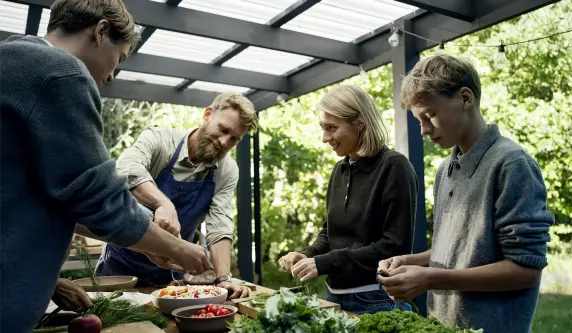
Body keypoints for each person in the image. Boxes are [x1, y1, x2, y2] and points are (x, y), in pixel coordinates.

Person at [0, 0, 212, 331]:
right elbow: (98, 200)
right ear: (100, 32)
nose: (112, 75)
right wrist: (179, 248)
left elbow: (61, 197)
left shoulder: (15, 59)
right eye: (120, 58)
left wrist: (51, 281)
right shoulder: (60, 72)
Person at [377, 54, 554, 333]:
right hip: (443, 326)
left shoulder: (512, 165)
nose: (423, 130)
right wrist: (411, 262)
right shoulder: (445, 168)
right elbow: (462, 250)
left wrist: (431, 279)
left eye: (430, 115)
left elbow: (526, 271)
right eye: (418, 119)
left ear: (465, 98)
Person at [95, 92, 258, 298]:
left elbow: (220, 225)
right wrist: (164, 203)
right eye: (223, 130)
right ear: (208, 114)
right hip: (119, 268)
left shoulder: (226, 171)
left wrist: (223, 278)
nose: (225, 142)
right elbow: (126, 169)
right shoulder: (159, 140)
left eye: (234, 139)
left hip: (171, 276)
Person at [278, 85, 418, 315]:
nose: (325, 138)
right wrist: (308, 254)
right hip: (333, 297)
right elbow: (329, 232)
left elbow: (394, 246)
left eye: (332, 128)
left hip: (376, 300)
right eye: (323, 129)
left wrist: (325, 263)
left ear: (360, 122)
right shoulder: (339, 170)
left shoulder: (394, 167)